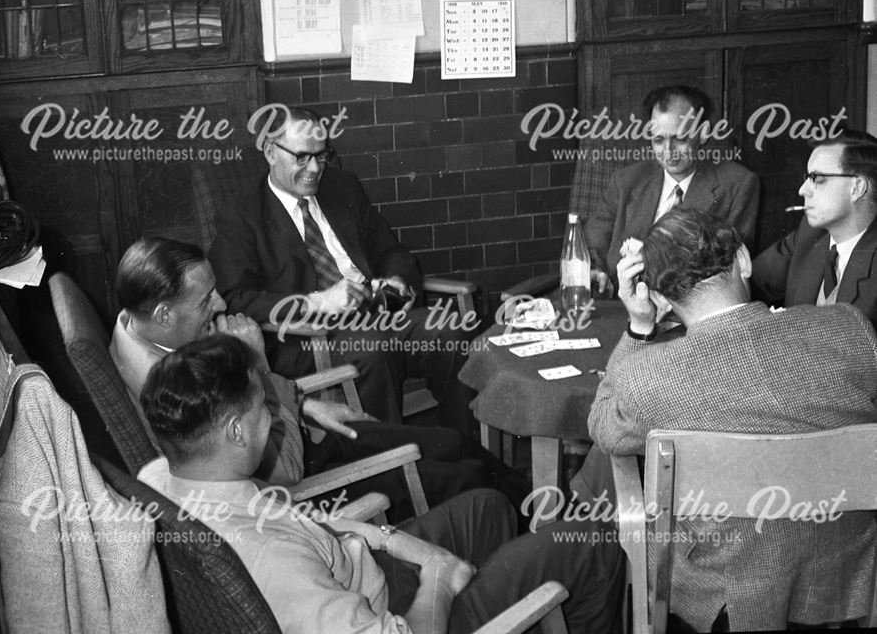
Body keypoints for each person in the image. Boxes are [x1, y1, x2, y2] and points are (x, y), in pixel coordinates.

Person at [138, 335, 625, 634]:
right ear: (236, 431)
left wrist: (390, 538)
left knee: (489, 507)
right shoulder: (279, 568)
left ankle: (522, 600)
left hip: (360, 570)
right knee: (586, 541)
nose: (272, 415)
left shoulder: (161, 476)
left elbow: (292, 519)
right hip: (404, 618)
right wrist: (438, 579)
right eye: (262, 407)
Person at [588, 207, 877, 632]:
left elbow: (604, 426)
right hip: (841, 568)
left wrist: (638, 326)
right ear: (743, 259)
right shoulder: (851, 328)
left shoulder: (649, 377)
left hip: (726, 591)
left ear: (662, 298)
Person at [110, 237, 493, 519]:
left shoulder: (136, 327)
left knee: (453, 441)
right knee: (467, 480)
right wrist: (256, 360)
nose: (221, 304)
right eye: (206, 299)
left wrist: (306, 403)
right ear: (163, 314)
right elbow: (283, 472)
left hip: (304, 428)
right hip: (307, 489)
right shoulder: (166, 387)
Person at [208, 107, 474, 428]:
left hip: (376, 312)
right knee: (371, 349)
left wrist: (395, 282)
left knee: (449, 332)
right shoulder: (242, 215)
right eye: (302, 157)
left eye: (322, 156)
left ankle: (460, 452)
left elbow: (390, 250)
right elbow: (231, 299)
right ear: (270, 152)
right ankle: (386, 466)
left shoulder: (342, 187)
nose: (314, 169)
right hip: (310, 336)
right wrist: (316, 302)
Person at [583, 85, 759, 290]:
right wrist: (594, 271)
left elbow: (729, 269)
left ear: (703, 134)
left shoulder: (737, 185)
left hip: (688, 313)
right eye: (658, 140)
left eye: (680, 139)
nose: (669, 152)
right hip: (620, 304)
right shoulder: (625, 181)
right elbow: (589, 247)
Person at [752, 128, 877, 328]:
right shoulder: (811, 234)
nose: (803, 190)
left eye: (817, 179)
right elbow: (752, 281)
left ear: (857, 187)